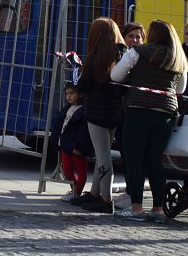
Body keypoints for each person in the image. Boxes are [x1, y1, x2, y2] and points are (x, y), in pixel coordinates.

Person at [110, 20, 188, 221]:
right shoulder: (178, 57)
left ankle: (136, 208)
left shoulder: (138, 52)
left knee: (135, 159)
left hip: (138, 109)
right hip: (166, 113)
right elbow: (179, 89)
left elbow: (116, 76)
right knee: (154, 160)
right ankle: (158, 209)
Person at [74, 17, 126, 214]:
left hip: (96, 112)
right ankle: (95, 193)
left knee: (103, 156)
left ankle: (105, 199)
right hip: (113, 112)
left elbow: (83, 86)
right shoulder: (121, 55)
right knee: (101, 153)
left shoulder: (94, 58)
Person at [51, 82, 92, 203]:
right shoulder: (66, 108)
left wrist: (79, 145)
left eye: (72, 93)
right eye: (66, 94)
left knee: (81, 170)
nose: (68, 96)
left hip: (76, 146)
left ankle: (77, 192)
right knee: (67, 170)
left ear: (80, 94)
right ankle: (74, 190)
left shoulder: (84, 111)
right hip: (65, 144)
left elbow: (84, 131)